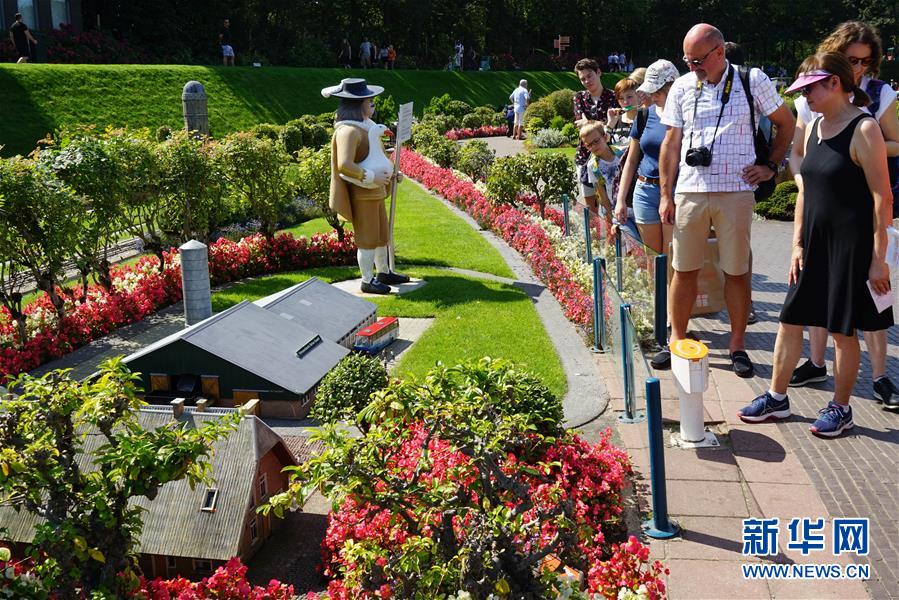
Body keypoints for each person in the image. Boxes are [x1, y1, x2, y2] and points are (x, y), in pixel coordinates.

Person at [738, 53, 893, 436]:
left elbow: (882, 198)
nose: (803, 97)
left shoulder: (864, 129)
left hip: (850, 247)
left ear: (835, 83)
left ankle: (841, 407)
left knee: (842, 331)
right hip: (812, 245)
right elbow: (806, 191)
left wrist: (878, 259)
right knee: (789, 320)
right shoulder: (814, 127)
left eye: (809, 89)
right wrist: (796, 244)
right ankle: (776, 397)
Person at [659, 24, 795, 377]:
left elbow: (786, 122)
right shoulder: (682, 87)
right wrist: (665, 194)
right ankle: (676, 339)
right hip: (690, 189)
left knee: (736, 271)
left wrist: (770, 166)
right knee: (683, 269)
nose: (692, 67)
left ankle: (737, 345)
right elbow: (671, 143)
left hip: (736, 191)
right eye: (687, 61)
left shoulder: (752, 80)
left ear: (719, 52)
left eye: (698, 60)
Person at [788, 22, 899, 410]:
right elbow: (798, 151)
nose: (859, 68)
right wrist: (807, 181)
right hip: (824, 207)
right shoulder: (813, 93)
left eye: (866, 62)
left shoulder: (878, 95)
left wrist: (860, 143)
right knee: (822, 304)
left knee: (872, 301)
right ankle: (816, 364)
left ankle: (880, 376)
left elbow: (895, 144)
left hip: (863, 210)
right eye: (852, 59)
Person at [616, 60, 680, 368]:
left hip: (674, 193)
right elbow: (631, 159)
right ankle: (661, 318)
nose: (651, 95)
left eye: (656, 90)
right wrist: (621, 199)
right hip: (644, 190)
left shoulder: (683, 113)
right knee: (654, 262)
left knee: (673, 260)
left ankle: (674, 324)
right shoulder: (645, 114)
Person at [323, 78, 410, 295]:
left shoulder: (367, 127)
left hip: (376, 193)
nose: (373, 104)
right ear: (356, 104)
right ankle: (367, 279)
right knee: (368, 238)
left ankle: (383, 271)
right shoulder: (348, 131)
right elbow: (344, 165)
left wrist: (391, 175)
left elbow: (376, 156)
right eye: (369, 101)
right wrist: (371, 176)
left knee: (381, 235)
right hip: (362, 195)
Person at [580, 122, 641, 243]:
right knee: (634, 244)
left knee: (646, 245)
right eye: (589, 145)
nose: (593, 147)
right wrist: (611, 218)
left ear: (605, 137)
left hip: (637, 206)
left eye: (596, 141)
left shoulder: (623, 153)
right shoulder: (593, 166)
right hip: (620, 213)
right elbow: (602, 195)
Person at [573, 58, 618, 214]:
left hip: (609, 157)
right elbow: (582, 126)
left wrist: (590, 123)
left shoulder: (613, 97)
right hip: (585, 156)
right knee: (591, 207)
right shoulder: (579, 97)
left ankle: (611, 229)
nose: (587, 81)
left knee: (610, 202)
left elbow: (616, 123)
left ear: (598, 73)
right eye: (583, 79)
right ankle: (595, 230)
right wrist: (606, 124)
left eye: (589, 76)